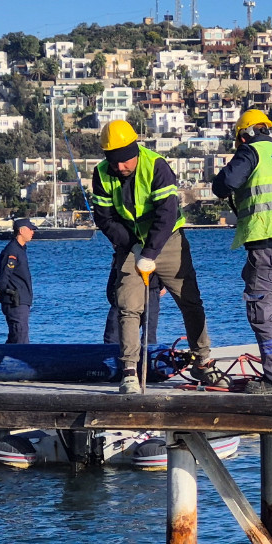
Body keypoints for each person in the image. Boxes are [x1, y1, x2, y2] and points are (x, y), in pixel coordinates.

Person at [91, 119, 212, 394]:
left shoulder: (156, 166)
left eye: (124, 161)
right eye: (114, 162)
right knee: (128, 306)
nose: (120, 167)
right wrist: (133, 247)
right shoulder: (101, 174)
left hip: (167, 240)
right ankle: (129, 370)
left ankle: (202, 360)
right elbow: (105, 218)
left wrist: (150, 252)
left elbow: (166, 214)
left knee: (189, 301)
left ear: (135, 150)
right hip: (129, 243)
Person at [212, 109, 272, 394]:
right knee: (254, 279)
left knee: (258, 310)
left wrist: (225, 170)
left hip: (270, 239)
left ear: (244, 135)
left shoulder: (251, 152)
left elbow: (225, 185)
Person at [0, 218, 36, 343]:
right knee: (20, 339)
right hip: (15, 302)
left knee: (15, 338)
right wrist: (1, 294)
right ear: (21, 231)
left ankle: (3, 361)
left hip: (22, 300)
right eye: (30, 229)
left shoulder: (20, 250)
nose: (33, 232)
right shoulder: (12, 251)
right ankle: (19, 362)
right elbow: (4, 276)